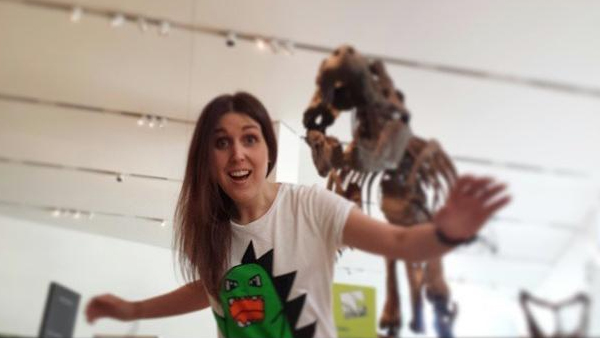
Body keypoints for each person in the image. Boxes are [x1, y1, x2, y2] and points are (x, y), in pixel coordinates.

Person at [85, 92, 510, 338]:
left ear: (268, 148)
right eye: (221, 143)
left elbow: (397, 242)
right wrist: (133, 310)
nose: (237, 153)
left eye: (249, 139)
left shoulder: (310, 206)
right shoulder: (211, 232)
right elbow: (211, 288)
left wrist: (446, 234)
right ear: (206, 158)